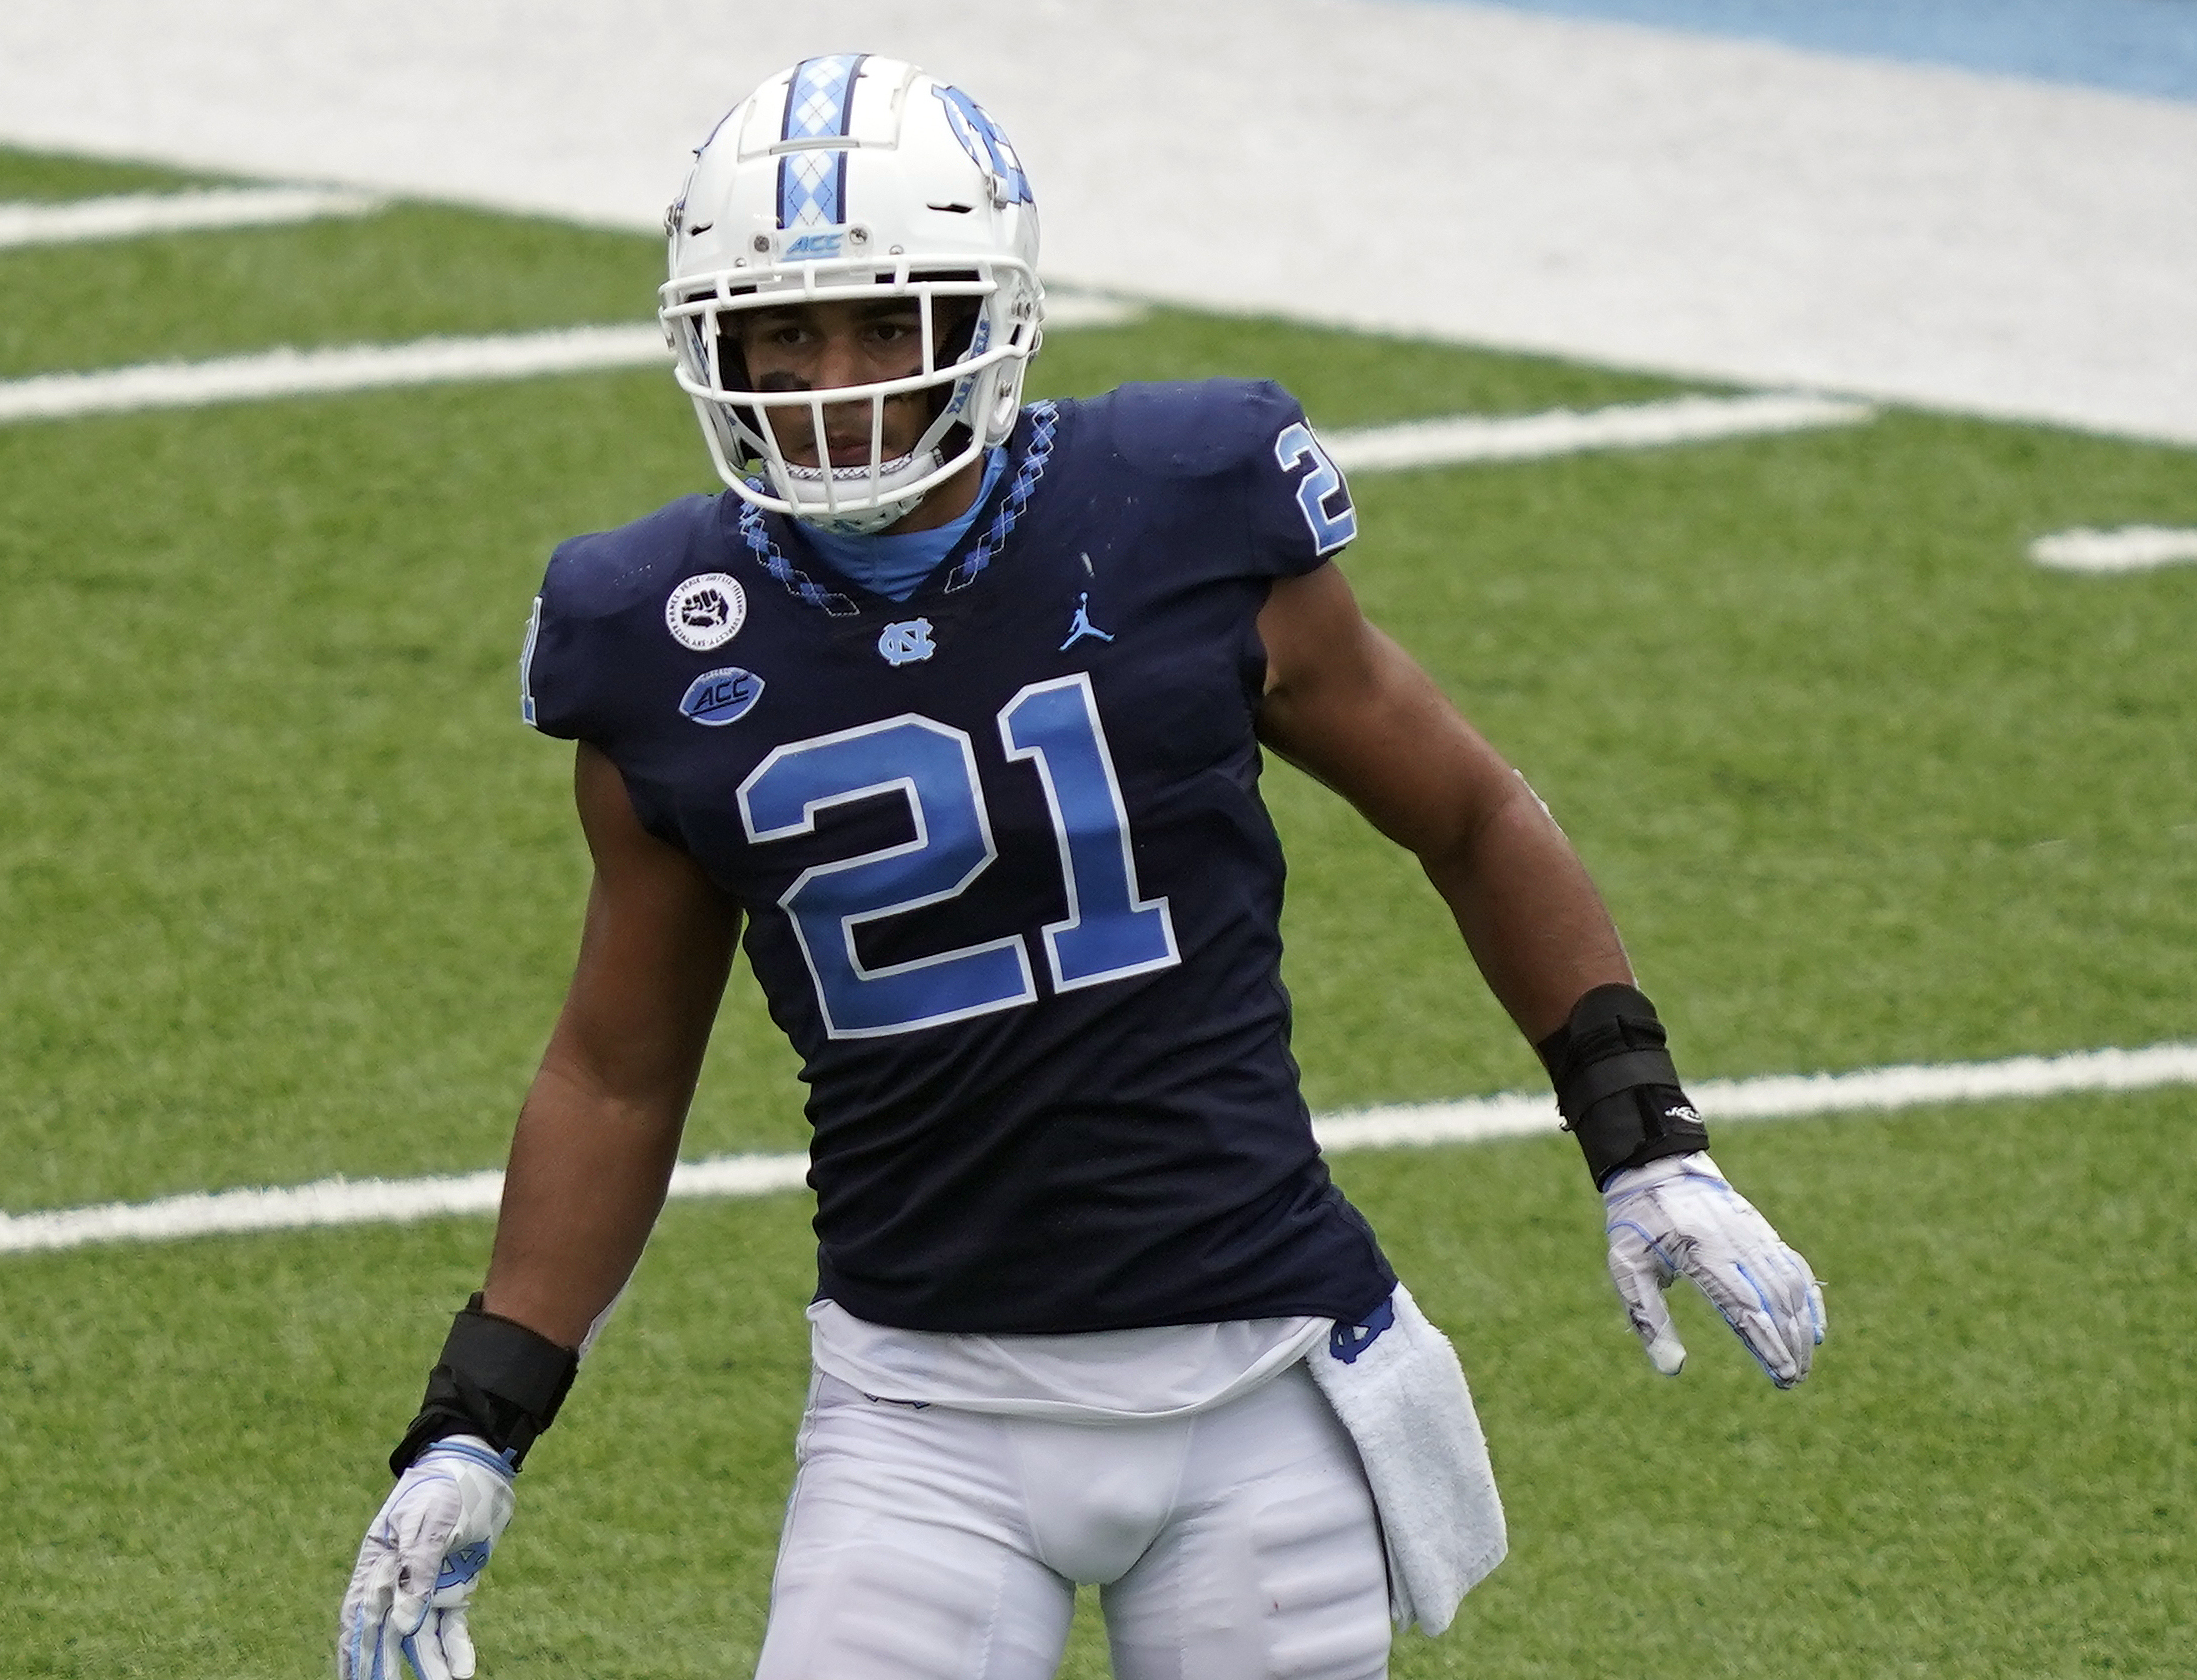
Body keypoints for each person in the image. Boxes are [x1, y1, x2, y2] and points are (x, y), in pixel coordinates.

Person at [339, 53, 1824, 1680]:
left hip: (1264, 1387)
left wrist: (1646, 1143)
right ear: (711, 343)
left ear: (983, 318)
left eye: (882, 323)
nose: (829, 379)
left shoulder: (1178, 508)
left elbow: (1465, 812)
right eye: (781, 330)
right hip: (918, 1411)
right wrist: (473, 1422)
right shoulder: (649, 629)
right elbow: (617, 1074)